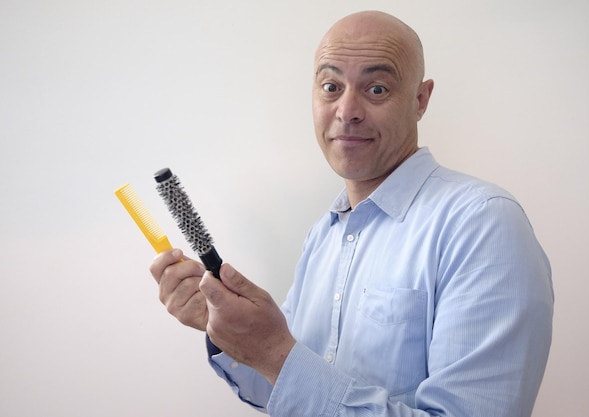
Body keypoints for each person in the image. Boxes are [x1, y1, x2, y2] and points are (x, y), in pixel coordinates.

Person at [149, 10, 553, 417]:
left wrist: (274, 353)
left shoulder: (483, 225)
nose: (347, 110)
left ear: (420, 99)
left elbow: (285, 366)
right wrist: (226, 331)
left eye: (376, 89)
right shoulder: (323, 235)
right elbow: (288, 392)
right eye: (330, 86)